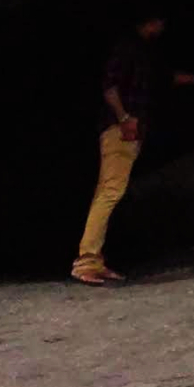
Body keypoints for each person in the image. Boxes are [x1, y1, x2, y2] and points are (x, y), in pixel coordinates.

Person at [71, 15, 169, 285]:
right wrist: (124, 118)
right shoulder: (127, 48)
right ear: (148, 21)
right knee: (111, 191)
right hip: (119, 130)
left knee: (106, 191)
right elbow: (109, 86)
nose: (163, 28)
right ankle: (86, 262)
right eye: (160, 22)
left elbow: (165, 78)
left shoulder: (143, 52)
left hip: (128, 130)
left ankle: (93, 259)